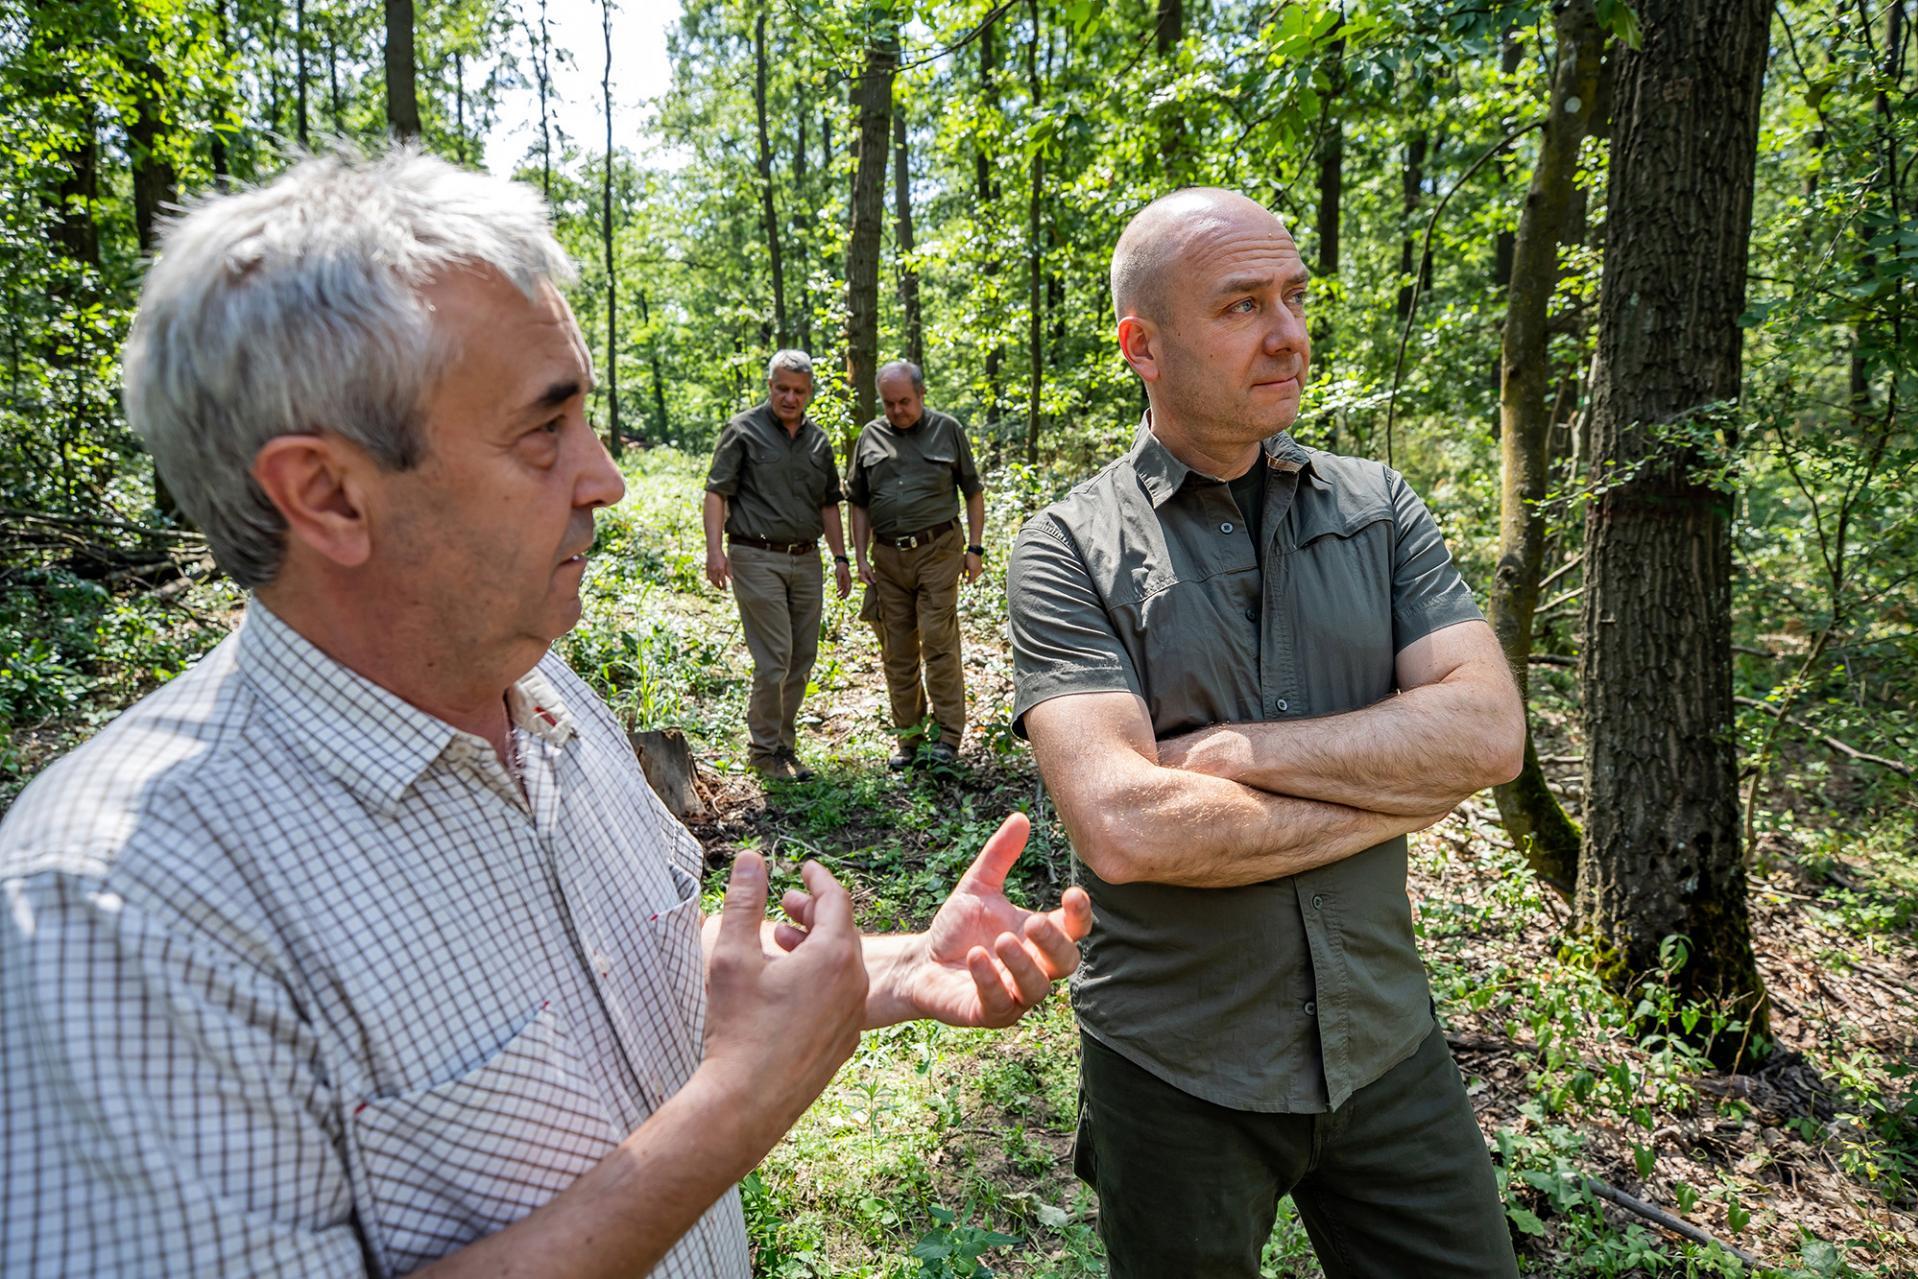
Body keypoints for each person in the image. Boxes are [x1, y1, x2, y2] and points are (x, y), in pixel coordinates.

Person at [0, 148, 1091, 1279]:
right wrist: (737, 1109)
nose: (608, 478)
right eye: (544, 429)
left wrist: (891, 969)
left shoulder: (548, 693)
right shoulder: (113, 910)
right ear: (327, 493)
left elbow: (638, 983)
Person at [1007, 187, 1527, 1278]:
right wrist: (1399, 781)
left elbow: (1486, 733)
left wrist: (1228, 756)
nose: (1287, 333)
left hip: (1385, 1038)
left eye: (1293, 296)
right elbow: (1128, 829)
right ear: (1140, 345)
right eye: (1241, 304)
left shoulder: (1377, 508)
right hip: (1174, 1066)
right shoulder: (1067, 549)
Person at [702, 350, 851, 781]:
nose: (790, 398)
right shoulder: (742, 430)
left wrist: (841, 558)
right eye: (782, 388)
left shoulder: (818, 442)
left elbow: (828, 504)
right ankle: (762, 751)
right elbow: (717, 492)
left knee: (802, 657)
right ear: (770, 386)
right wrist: (715, 551)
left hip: (806, 559)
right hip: (755, 555)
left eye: (799, 391)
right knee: (775, 658)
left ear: (809, 393)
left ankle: (785, 746)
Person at [846, 360, 986, 769]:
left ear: (921, 395)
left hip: (938, 550)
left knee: (938, 641)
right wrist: (859, 555)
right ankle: (908, 738)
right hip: (888, 558)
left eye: (904, 402)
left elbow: (972, 492)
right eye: (888, 403)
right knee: (898, 650)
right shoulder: (870, 437)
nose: (897, 411)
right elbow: (858, 502)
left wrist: (974, 549)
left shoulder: (947, 430)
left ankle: (947, 737)